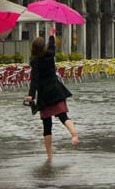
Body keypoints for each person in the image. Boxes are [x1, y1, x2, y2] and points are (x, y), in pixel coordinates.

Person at [25, 28, 78, 160]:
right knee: (63, 116)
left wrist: (31, 95)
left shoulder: (35, 61)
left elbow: (34, 81)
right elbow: (53, 47)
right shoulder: (50, 55)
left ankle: (49, 156)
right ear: (44, 47)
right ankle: (74, 134)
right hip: (56, 90)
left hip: (44, 95)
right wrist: (51, 35)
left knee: (46, 125)